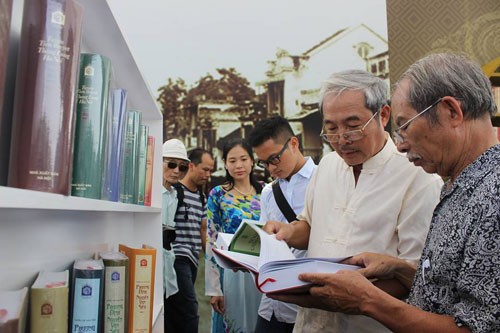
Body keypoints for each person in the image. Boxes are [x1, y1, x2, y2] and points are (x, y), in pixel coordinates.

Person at [270, 53, 500, 332]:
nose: (401, 146)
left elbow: (478, 325)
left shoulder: (489, 196)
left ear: (452, 112)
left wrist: (367, 299)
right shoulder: (460, 185)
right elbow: (438, 284)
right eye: (331, 129)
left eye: (405, 126)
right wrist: (398, 268)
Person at [263, 69, 444, 333]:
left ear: (383, 115)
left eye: (352, 125)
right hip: (311, 324)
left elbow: (415, 273)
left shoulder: (417, 177)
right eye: (331, 128)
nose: (342, 139)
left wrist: (345, 297)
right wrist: (288, 232)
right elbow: (311, 227)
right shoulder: (327, 166)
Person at [248, 115, 317, 333]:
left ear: (293, 143)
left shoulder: (322, 180)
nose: (270, 169)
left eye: (274, 159)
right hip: (272, 305)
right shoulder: (268, 192)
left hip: (309, 304)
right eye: (264, 162)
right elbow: (266, 243)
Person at [205, 138, 264, 333]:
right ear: (225, 164)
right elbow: (211, 240)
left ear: (252, 161)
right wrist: (214, 288)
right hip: (230, 271)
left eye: (243, 159)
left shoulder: (266, 191)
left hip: (260, 271)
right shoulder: (218, 194)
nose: (238, 165)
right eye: (232, 161)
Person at [165, 148, 215, 333]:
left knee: (174, 310)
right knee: (190, 311)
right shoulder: (175, 192)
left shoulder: (202, 197)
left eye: (210, 170)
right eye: (205, 169)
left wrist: (212, 258)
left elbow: (203, 229)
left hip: (193, 260)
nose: (208, 175)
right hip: (176, 258)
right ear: (192, 166)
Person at [161, 138, 190, 329]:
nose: (176, 171)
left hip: (167, 260)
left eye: (182, 167)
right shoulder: (149, 191)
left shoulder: (175, 194)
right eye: (171, 164)